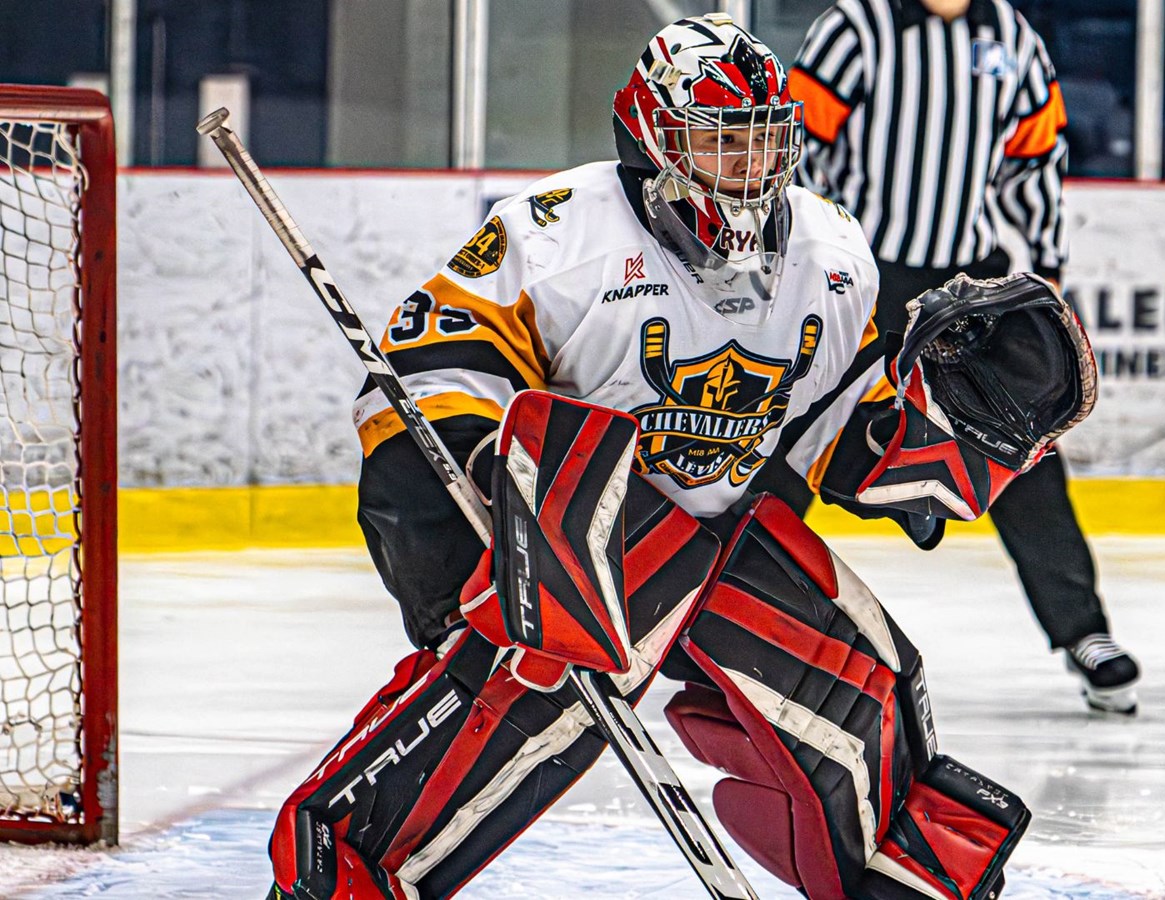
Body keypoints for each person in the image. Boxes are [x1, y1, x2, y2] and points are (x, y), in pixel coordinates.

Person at [265, 14, 1096, 900]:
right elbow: (427, 382)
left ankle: (897, 880)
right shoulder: (557, 233)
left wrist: (938, 435)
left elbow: (827, 426)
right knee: (515, 707)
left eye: (769, 143)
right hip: (568, 548)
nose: (754, 167)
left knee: (865, 685)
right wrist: (474, 547)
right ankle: (342, 875)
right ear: (655, 137)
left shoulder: (833, 254)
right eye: (722, 142)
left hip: (716, 539)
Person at [761, 0, 1142, 714]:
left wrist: (1048, 267)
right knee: (800, 433)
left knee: (1019, 447)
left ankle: (1083, 632)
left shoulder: (1011, 36)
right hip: (862, 273)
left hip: (972, 287)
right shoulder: (858, 25)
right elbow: (797, 149)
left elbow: (1036, 158)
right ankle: (723, 599)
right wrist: (801, 255)